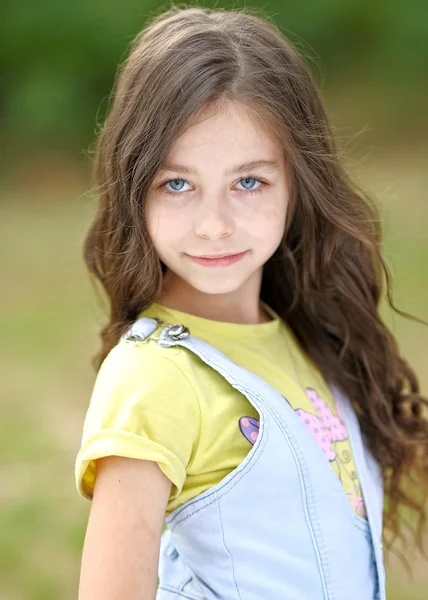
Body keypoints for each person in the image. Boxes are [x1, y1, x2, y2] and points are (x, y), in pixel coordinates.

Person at [74, 5, 428, 600]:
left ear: (299, 186)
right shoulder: (154, 377)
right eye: (177, 184)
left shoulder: (309, 336)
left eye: (248, 182)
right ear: (134, 189)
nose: (215, 225)